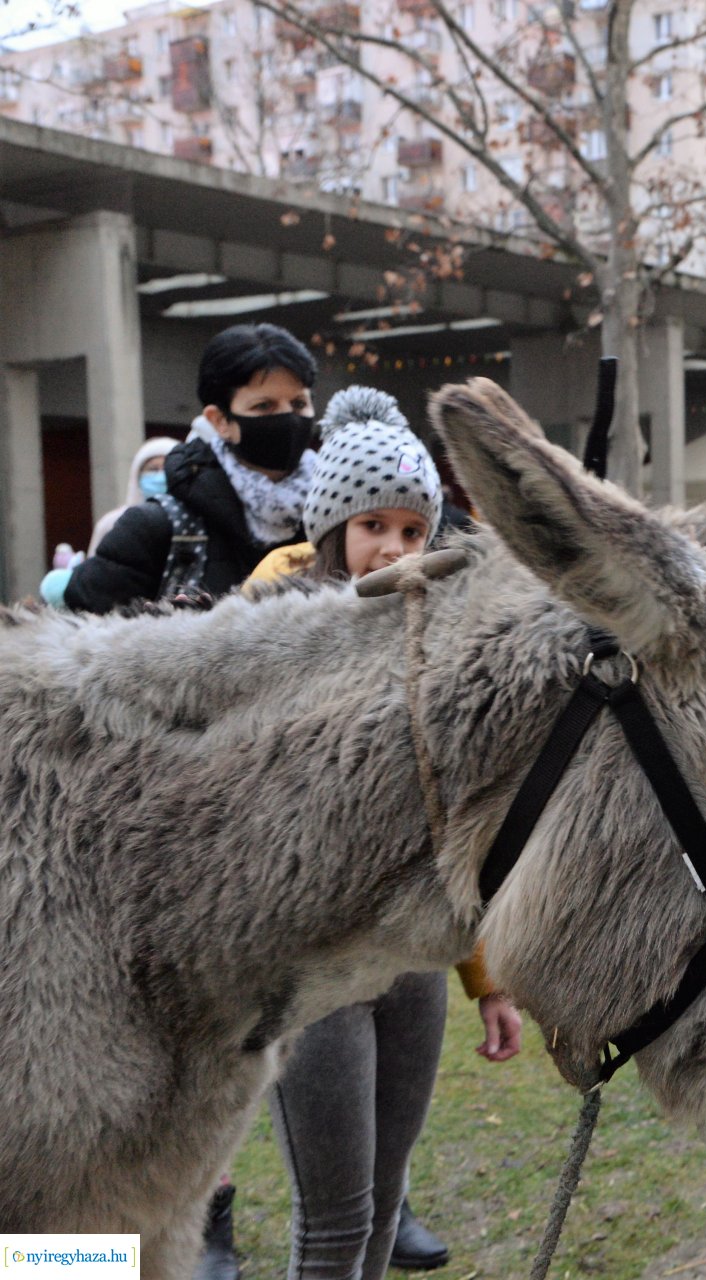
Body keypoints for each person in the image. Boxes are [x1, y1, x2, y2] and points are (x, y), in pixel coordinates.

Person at [255, 385, 523, 1280]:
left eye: (414, 530)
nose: (396, 549)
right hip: (314, 970)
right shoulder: (267, 630)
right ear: (332, 531)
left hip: (412, 968)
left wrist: (486, 981)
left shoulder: (438, 648)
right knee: (333, 1220)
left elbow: (457, 830)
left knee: (381, 1205)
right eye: (375, 525)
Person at [66, 324, 317, 613]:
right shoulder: (155, 529)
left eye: (299, 403)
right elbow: (83, 633)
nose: (287, 418)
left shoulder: (340, 517)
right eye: (264, 406)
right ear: (220, 421)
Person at [87, 435, 180, 557]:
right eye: (153, 469)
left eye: (167, 469)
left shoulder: (195, 522)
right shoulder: (112, 523)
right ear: (137, 475)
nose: (160, 476)